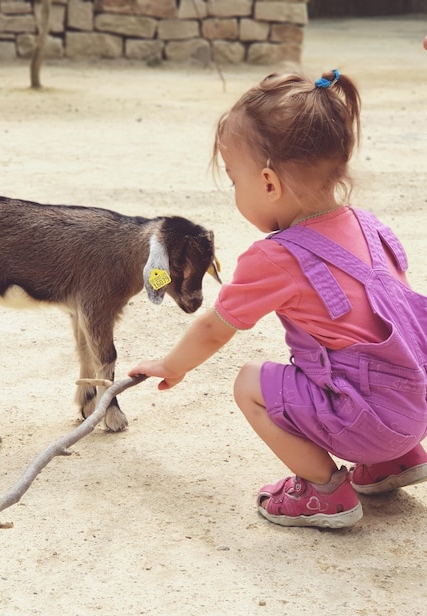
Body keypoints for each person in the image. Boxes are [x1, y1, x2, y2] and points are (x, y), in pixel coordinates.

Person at [129, 69, 427, 529]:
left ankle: (325, 492)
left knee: (251, 384)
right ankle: (396, 461)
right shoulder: (369, 227)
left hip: (369, 425)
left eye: (234, 180)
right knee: (365, 360)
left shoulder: (276, 256)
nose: (235, 192)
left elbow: (213, 328)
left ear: (268, 183)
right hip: (414, 411)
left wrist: (172, 366)